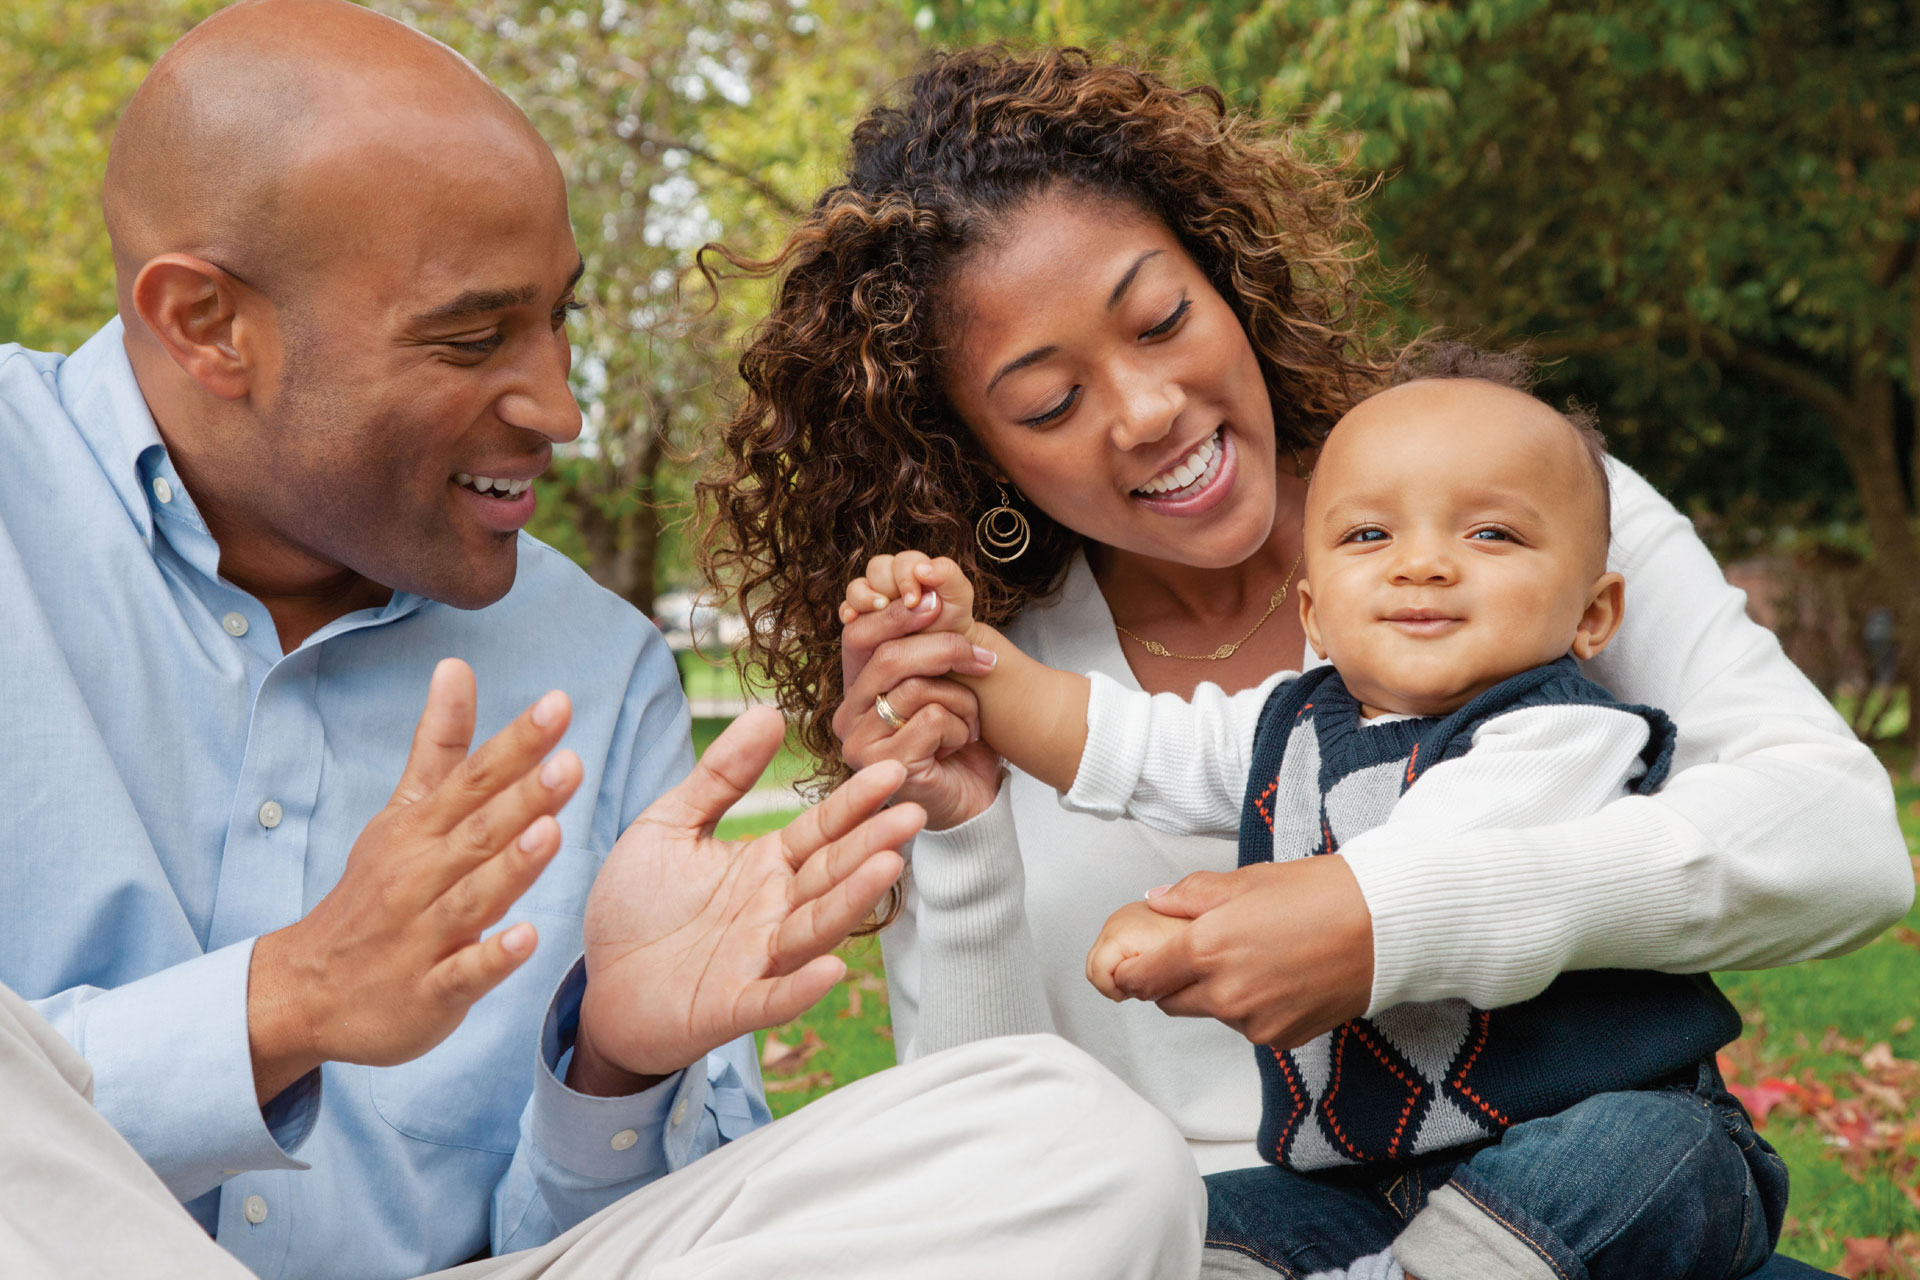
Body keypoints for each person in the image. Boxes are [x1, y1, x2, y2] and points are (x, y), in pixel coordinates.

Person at [0, 6, 1204, 1277]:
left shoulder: (591, 661)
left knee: (1076, 1142)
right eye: (472, 337)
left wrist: (613, 1064)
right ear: (204, 323)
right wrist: (279, 1003)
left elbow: (645, 1243)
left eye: (559, 322)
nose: (560, 407)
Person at [700, 47, 1912, 1278]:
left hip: (1569, 1203)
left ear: (1228, 281)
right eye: (1051, 403)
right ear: (969, 452)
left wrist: (1385, 916)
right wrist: (962, 826)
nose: (1147, 409)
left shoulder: (1520, 505)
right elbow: (983, 1168)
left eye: (1163, 319)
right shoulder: (1016, 686)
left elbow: (1845, 843)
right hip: (1250, 1231)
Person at [842, 349, 1789, 1278]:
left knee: (1630, 1155)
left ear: (1593, 613)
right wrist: (962, 655)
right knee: (1211, 1218)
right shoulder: (1293, 720)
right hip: (1371, 1182)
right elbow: (1126, 742)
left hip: (1604, 1141)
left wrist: (1178, 924)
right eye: (1371, 537)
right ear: (1315, 612)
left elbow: (1414, 869)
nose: (1423, 565)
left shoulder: (1562, 737)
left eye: (1491, 535)